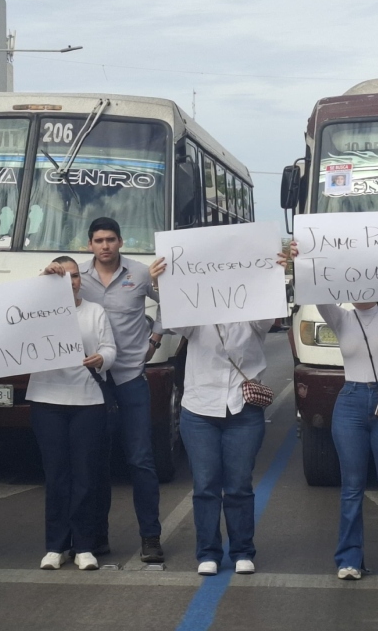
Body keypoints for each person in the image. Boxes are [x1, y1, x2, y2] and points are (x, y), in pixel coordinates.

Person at [291, 239, 378, 582]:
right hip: (350, 402)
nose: (356, 289)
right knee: (351, 486)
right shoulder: (340, 318)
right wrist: (302, 260)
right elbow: (317, 292)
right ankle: (349, 559)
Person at [150, 253, 284, 576]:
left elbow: (268, 314)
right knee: (206, 485)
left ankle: (242, 551)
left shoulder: (252, 313)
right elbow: (173, 318)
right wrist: (159, 283)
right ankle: (208, 552)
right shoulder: (195, 314)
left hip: (243, 409)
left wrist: (274, 274)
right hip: (199, 409)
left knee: (239, 484)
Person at [80, 217, 163, 563]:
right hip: (92, 383)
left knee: (141, 460)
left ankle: (150, 537)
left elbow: (178, 300)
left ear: (121, 241)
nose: (105, 246)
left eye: (111, 239)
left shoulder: (142, 273)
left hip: (130, 378)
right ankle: (96, 537)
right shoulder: (76, 279)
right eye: (98, 240)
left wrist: (156, 337)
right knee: (94, 462)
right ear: (90, 245)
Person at [32, 256, 117, 571]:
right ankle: (56, 545)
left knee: (85, 476)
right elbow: (18, 321)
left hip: (87, 401)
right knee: (56, 477)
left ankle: (84, 545)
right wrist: (44, 279)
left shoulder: (95, 311)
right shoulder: (37, 311)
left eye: (75, 276)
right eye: (62, 277)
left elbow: (110, 348)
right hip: (46, 400)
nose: (70, 281)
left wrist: (101, 358)